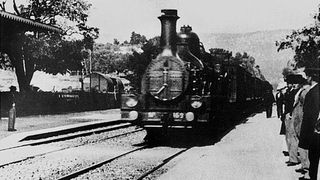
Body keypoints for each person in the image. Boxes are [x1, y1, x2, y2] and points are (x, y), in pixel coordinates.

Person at [299, 67, 320, 180]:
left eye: (307, 76)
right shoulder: (315, 90)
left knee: (314, 155)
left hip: (313, 129)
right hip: (314, 128)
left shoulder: (314, 91)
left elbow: (314, 113)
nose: (306, 78)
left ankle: (312, 177)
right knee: (313, 155)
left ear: (311, 77)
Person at [291, 74, 310, 178]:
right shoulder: (301, 91)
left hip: (302, 121)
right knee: (301, 144)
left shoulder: (305, 92)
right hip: (298, 121)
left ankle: (307, 168)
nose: (294, 84)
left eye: (296, 82)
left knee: (304, 144)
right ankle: (304, 166)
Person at [283, 74, 301, 166]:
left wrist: (290, 114)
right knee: (289, 138)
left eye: (292, 83)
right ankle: (292, 157)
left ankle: (294, 158)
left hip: (292, 116)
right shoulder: (291, 91)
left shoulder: (296, 92)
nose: (290, 84)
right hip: (288, 116)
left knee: (292, 138)